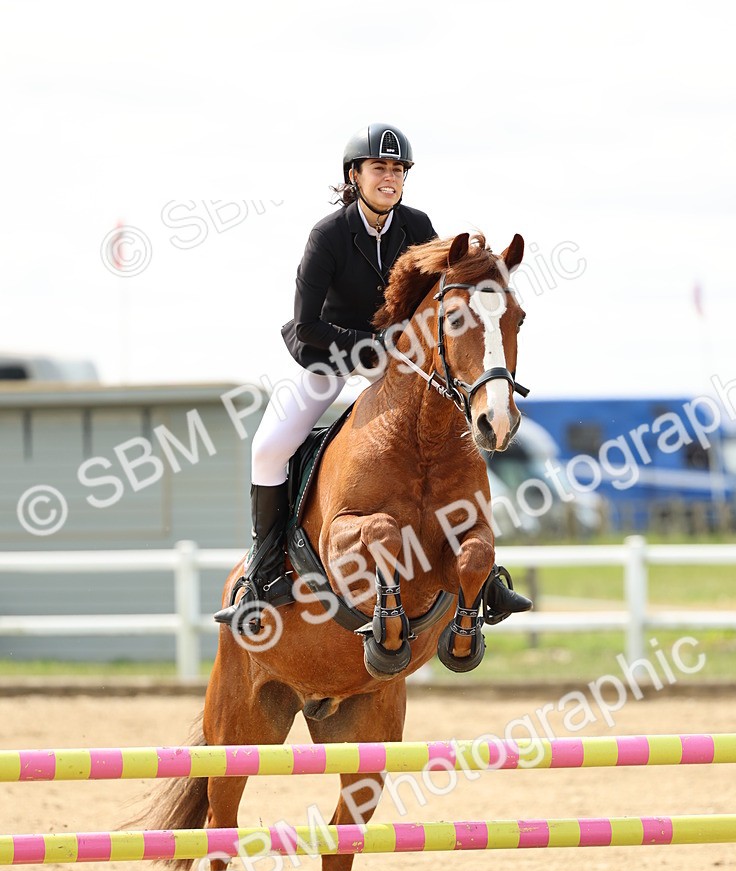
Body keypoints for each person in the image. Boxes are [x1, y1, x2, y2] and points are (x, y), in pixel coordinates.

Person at [215, 123, 531, 628]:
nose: (390, 178)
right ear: (354, 175)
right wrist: (371, 349)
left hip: (403, 364)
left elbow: (443, 295)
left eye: (398, 170)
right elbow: (307, 325)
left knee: (454, 431)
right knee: (269, 447)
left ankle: (483, 572)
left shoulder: (416, 224)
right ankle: (265, 570)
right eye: (380, 168)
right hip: (329, 355)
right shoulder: (329, 235)